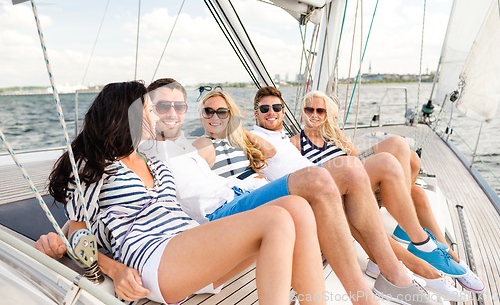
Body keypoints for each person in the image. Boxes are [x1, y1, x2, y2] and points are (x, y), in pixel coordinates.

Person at [37, 79, 433, 305]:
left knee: (295, 206)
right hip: (153, 260)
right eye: (148, 109)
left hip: (186, 244)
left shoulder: (155, 161)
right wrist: (114, 268)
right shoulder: (94, 169)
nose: (156, 116)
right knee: (279, 216)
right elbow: (77, 228)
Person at [193, 90, 467, 302]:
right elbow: (222, 153)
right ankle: (412, 260)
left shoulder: (284, 137)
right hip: (311, 183)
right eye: (265, 109)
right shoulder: (255, 135)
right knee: (380, 161)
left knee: (410, 179)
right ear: (254, 113)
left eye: (277, 107)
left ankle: (421, 252)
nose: (272, 112)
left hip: (320, 180)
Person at [290, 90, 484, 293]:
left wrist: (338, 136)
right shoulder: (296, 143)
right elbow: (303, 179)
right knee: (396, 145)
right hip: (337, 190)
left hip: (357, 180)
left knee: (413, 164)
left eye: (320, 111)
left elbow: (356, 158)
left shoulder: (333, 136)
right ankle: (417, 238)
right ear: (302, 112)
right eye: (309, 109)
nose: (314, 114)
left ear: (326, 114)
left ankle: (443, 251)